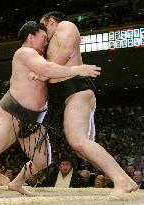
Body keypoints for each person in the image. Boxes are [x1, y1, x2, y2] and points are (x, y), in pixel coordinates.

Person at [0, 21, 100, 197]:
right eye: (43, 38)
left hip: (34, 120)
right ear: (30, 37)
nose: (46, 42)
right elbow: (48, 69)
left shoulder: (40, 57)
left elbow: (51, 69)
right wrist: (78, 69)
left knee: (43, 160)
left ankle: (16, 183)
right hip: (12, 114)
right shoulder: (24, 52)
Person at [31, 11, 137, 193]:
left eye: (42, 26)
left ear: (50, 22)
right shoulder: (50, 44)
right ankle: (127, 180)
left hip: (76, 90)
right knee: (82, 148)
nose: (42, 32)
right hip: (69, 95)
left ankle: (122, 181)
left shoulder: (65, 26)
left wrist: (44, 72)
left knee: (78, 140)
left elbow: (66, 51)